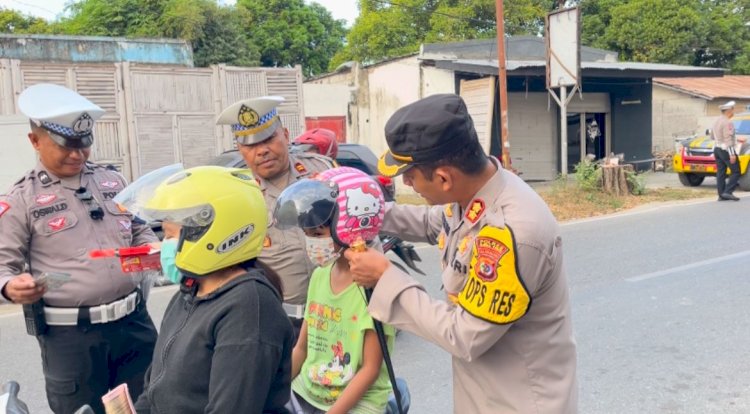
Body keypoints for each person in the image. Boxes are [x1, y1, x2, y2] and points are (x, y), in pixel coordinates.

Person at [345, 94, 578, 413]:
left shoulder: (513, 232)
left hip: (519, 402)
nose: (409, 184)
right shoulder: (477, 190)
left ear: (443, 177)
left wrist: (386, 278)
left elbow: (465, 334)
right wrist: (362, 212)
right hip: (484, 393)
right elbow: (434, 223)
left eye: (410, 176)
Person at [0, 83, 158, 414]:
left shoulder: (111, 181)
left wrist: (152, 248)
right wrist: (10, 286)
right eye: (66, 145)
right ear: (35, 141)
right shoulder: (20, 200)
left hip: (134, 325)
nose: (78, 154)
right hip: (73, 340)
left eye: (84, 144)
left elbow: (140, 228)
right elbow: (3, 265)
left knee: (151, 404)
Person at [133, 166, 294, 413]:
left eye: (169, 235)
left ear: (209, 234)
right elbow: (155, 383)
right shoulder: (189, 292)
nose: (165, 245)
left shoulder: (247, 308)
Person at [274, 167, 406, 414]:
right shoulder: (319, 276)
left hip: (359, 400)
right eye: (307, 234)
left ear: (351, 228)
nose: (311, 242)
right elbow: (301, 349)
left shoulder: (372, 287)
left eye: (318, 233)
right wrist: (270, 391)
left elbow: (370, 370)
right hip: (309, 389)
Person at [216, 96, 336, 337]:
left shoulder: (323, 171)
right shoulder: (237, 195)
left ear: (285, 134)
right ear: (240, 149)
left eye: (269, 138)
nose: (262, 150)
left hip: (338, 313)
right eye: (250, 145)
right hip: (281, 322)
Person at [712, 101, 741, 201]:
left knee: (721, 172)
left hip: (717, 148)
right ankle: (728, 192)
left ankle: (721, 195)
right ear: (729, 110)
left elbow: (712, 136)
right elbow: (728, 138)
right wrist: (732, 153)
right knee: (736, 171)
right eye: (733, 109)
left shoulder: (717, 120)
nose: (733, 111)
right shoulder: (728, 122)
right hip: (726, 149)